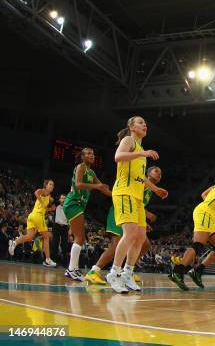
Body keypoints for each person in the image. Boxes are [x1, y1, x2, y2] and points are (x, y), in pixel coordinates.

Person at [106, 116, 168, 294]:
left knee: (140, 237)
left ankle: (127, 273)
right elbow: (118, 156)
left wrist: (156, 189)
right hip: (124, 192)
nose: (145, 125)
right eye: (141, 122)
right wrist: (143, 153)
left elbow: (140, 178)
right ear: (131, 127)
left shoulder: (140, 149)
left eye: (145, 123)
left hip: (137, 197)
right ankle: (114, 273)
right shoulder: (129, 140)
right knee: (130, 234)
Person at [168, 164, 215, 291]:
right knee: (198, 244)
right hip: (205, 213)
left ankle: (197, 271)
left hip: (208, 215)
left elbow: (203, 195)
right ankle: (178, 271)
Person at [85, 166, 161, 285]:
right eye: (156, 171)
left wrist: (143, 221)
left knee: (145, 244)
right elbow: (129, 199)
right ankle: (94, 271)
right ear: (147, 173)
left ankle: (127, 271)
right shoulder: (140, 181)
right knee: (116, 245)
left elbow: (138, 205)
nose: (159, 175)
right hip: (119, 210)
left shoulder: (150, 190)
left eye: (160, 174)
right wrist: (147, 214)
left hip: (131, 213)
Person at [63, 148, 113, 281]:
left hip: (78, 205)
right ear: (82, 156)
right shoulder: (81, 166)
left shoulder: (91, 172)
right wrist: (96, 187)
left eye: (93, 153)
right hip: (73, 203)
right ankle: (71, 269)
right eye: (89, 153)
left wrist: (116, 196)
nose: (92, 155)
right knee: (80, 237)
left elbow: (102, 187)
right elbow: (78, 184)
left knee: (80, 238)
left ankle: (72, 269)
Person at [8, 179, 57, 267]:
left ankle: (14, 242)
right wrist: (42, 203)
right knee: (46, 237)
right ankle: (48, 260)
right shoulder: (44, 191)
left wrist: (50, 209)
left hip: (32, 216)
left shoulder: (48, 196)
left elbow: (44, 209)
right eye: (50, 184)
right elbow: (36, 192)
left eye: (53, 185)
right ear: (46, 185)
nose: (52, 186)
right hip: (38, 216)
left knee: (29, 237)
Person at [51, 194, 69, 267]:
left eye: (64, 198)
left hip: (65, 227)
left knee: (64, 245)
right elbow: (51, 199)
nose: (63, 199)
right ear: (59, 199)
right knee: (55, 244)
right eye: (61, 198)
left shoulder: (68, 208)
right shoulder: (56, 206)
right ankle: (54, 262)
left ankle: (65, 263)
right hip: (56, 226)